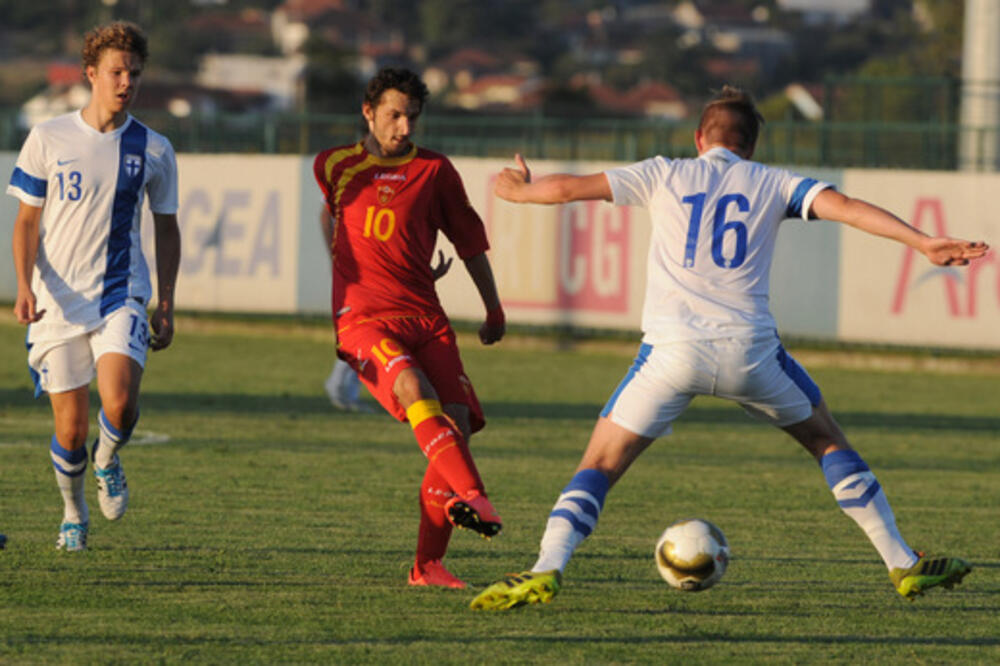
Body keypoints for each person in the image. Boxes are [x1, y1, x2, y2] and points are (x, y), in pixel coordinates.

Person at [470, 86, 986, 610]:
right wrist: (923, 242)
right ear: (752, 147)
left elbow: (566, 189)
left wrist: (518, 190)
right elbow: (848, 208)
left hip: (671, 355)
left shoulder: (663, 172)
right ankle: (900, 561)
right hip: (751, 354)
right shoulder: (774, 181)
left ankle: (546, 567)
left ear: (700, 139)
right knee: (826, 439)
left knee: (600, 464)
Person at [313, 67, 506, 589]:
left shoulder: (436, 171)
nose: (403, 127)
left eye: (412, 117)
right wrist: (348, 269)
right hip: (364, 321)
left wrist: (493, 308)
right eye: (394, 115)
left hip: (427, 316)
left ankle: (427, 566)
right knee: (414, 388)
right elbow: (331, 216)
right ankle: (475, 496)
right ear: (368, 111)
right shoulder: (334, 165)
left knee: (458, 425)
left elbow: (469, 243)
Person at [7, 21, 180, 552]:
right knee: (70, 431)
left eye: (133, 72)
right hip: (57, 302)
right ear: (90, 74)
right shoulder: (48, 137)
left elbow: (166, 226)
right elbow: (27, 222)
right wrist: (23, 286)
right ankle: (72, 512)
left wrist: (166, 301)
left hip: (120, 295)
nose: (125, 81)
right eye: (115, 71)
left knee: (121, 404)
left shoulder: (153, 148)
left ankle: (108, 460)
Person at [318, 207, 453, 413]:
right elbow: (326, 215)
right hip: (360, 270)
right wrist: (335, 257)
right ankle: (341, 386)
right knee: (365, 327)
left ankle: (344, 387)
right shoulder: (352, 178)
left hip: (381, 272)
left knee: (375, 328)